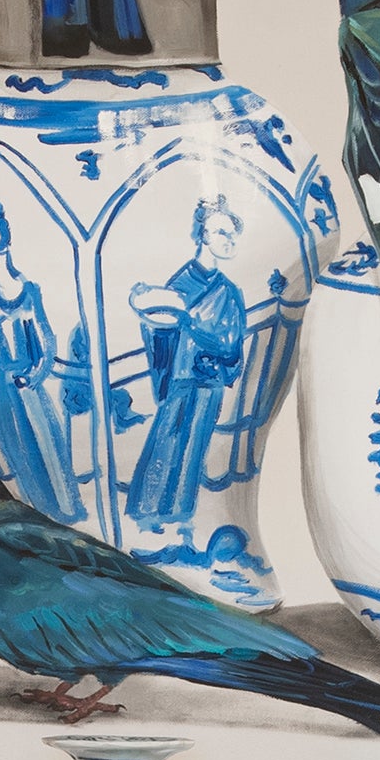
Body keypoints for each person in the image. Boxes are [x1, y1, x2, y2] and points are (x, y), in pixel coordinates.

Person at [125, 199, 250, 533]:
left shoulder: (229, 291)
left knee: (195, 445)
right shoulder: (180, 284)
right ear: (203, 235)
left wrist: (210, 346)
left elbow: (233, 342)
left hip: (209, 380)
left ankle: (179, 514)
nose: (228, 240)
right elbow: (159, 327)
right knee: (168, 438)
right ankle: (147, 510)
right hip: (182, 377)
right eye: (221, 232)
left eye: (232, 235)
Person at [0, 202, 78, 521]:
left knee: (41, 442)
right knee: (13, 446)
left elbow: (44, 338)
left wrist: (36, 376)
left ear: (3, 239)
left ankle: (60, 509)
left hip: (25, 380)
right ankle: (31, 513)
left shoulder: (27, 290)